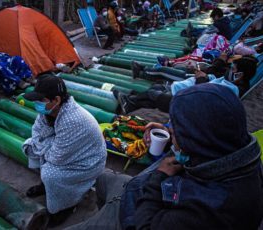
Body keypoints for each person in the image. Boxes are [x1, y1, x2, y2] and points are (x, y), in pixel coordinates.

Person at [66, 83, 263, 230]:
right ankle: (102, 211)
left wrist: (159, 176)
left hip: (133, 215)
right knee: (101, 178)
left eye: (177, 131)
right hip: (134, 190)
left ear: (195, 141)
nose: (171, 131)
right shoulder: (234, 153)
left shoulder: (211, 209)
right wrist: (170, 137)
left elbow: (145, 226)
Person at [21, 74, 107, 225]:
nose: (37, 104)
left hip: (88, 161)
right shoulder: (49, 110)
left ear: (57, 100)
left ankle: (67, 205)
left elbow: (57, 157)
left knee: (50, 174)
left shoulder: (72, 119)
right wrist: (44, 144)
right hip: (65, 150)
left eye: (41, 100)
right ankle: (46, 188)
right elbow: (36, 131)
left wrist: (44, 144)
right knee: (30, 146)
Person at [117, 56, 257, 114]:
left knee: (156, 93)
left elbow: (206, 94)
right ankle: (130, 104)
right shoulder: (231, 81)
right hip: (190, 92)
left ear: (241, 75)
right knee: (157, 89)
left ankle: (130, 102)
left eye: (233, 69)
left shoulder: (234, 90)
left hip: (191, 103)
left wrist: (202, 78)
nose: (230, 70)